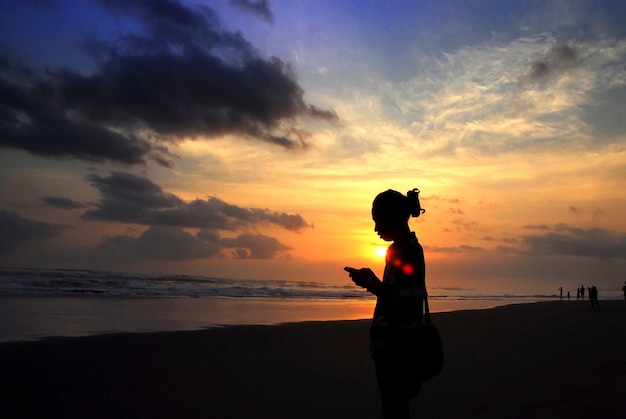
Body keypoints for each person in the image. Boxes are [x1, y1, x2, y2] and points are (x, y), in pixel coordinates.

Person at [345, 188, 428, 419]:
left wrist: (372, 284)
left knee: (394, 409)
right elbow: (402, 295)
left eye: (378, 221)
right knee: (395, 407)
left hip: (397, 346)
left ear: (392, 218)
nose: (375, 229)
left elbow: (407, 304)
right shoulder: (404, 248)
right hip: (397, 344)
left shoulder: (406, 251)